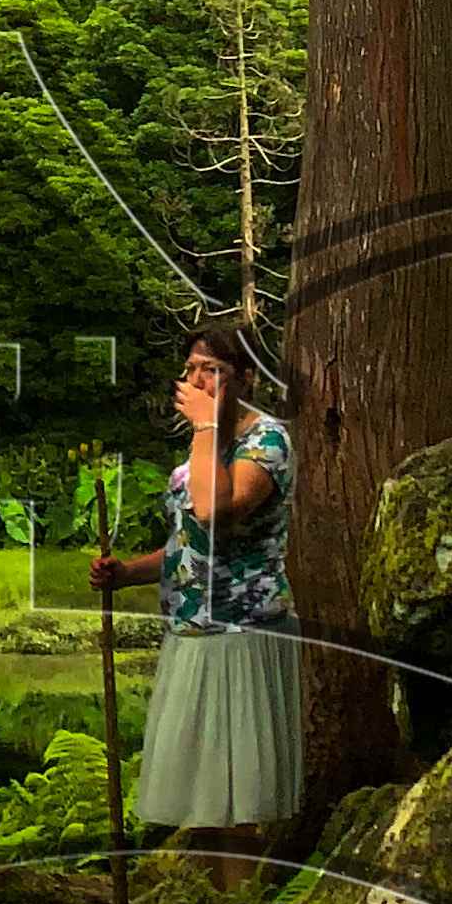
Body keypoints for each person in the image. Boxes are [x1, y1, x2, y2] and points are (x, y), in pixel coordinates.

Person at [126, 329, 301, 864]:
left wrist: (204, 425)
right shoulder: (203, 447)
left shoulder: (266, 441)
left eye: (213, 369)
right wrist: (126, 573)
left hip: (242, 632)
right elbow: (189, 542)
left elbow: (213, 510)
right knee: (200, 799)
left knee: (239, 799)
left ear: (245, 379)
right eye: (191, 369)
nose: (197, 380)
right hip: (191, 631)